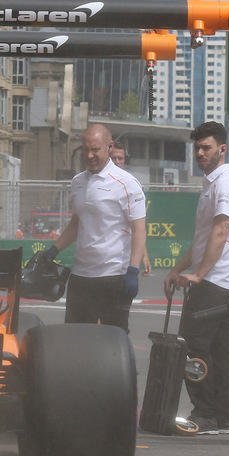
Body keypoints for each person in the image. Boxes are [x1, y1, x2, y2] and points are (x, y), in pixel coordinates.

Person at [164, 121, 229, 436]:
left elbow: (220, 231)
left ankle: (207, 414)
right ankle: (223, 418)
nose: (200, 153)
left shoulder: (224, 185)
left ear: (222, 149)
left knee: (193, 348)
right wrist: (177, 269)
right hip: (221, 282)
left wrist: (198, 274)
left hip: (213, 283)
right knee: (222, 351)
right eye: (197, 147)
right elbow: (202, 241)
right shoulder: (213, 184)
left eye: (206, 147)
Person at [39, 124, 146, 332]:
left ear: (109, 147)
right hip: (81, 276)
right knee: (76, 337)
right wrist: (53, 250)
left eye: (95, 149)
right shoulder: (78, 182)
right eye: (86, 149)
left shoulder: (127, 183)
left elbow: (139, 229)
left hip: (113, 276)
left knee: (114, 339)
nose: (90, 155)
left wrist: (133, 269)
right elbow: (76, 222)